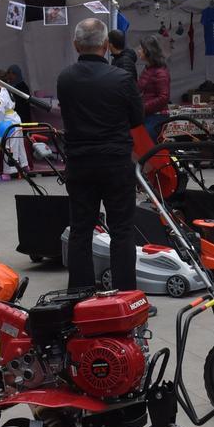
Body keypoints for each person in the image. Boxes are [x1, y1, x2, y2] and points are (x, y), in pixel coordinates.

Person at [58, 17, 143, 291]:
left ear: (76, 44)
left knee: (81, 230)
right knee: (122, 230)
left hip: (80, 162)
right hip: (115, 161)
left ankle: (79, 294)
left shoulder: (65, 79)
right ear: (106, 46)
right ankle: (125, 294)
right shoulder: (121, 78)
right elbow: (136, 118)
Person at [136, 37, 170, 141]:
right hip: (148, 115)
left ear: (147, 51)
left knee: (146, 147)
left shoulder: (160, 72)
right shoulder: (148, 69)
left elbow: (164, 97)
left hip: (156, 117)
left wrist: (143, 107)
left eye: (141, 48)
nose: (138, 51)